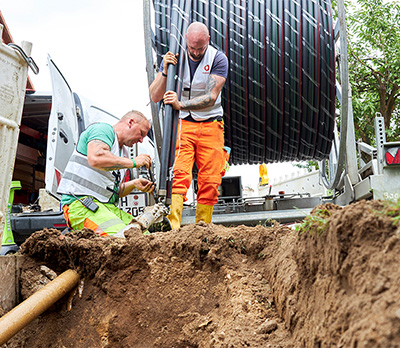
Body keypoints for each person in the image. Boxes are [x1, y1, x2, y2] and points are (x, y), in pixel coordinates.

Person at [149, 21, 229, 229]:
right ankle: (173, 226)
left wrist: (180, 103)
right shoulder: (174, 58)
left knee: (210, 179)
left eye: (199, 48)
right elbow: (154, 95)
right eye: (191, 47)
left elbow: (211, 97)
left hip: (211, 124)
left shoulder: (218, 59)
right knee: (179, 174)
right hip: (183, 124)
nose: (194, 52)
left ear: (208, 41)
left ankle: (202, 228)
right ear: (186, 40)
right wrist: (165, 70)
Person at [57, 110, 154, 237]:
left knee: (145, 237)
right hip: (80, 204)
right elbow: (96, 158)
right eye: (141, 134)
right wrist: (133, 162)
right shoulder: (103, 130)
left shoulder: (122, 153)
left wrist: (134, 184)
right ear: (130, 123)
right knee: (124, 240)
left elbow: (113, 192)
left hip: (103, 206)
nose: (141, 140)